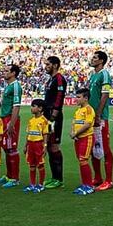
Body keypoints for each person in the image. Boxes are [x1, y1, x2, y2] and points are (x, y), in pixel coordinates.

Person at [88, 51, 113, 191]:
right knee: (93, 148)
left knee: (104, 148)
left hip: (100, 117)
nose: (92, 59)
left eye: (95, 58)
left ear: (101, 60)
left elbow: (105, 95)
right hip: (90, 117)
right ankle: (98, 178)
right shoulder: (92, 75)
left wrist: (98, 114)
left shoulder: (104, 74)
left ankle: (109, 180)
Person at [42, 55, 68, 189]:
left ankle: (59, 179)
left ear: (55, 65)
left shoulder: (59, 78)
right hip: (48, 115)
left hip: (54, 116)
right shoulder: (51, 79)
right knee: (50, 145)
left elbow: (59, 96)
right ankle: (54, 177)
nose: (45, 67)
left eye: (48, 64)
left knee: (54, 146)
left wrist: (54, 114)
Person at [0, 65, 24, 188]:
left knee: (11, 148)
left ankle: (15, 178)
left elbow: (16, 106)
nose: (4, 72)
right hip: (4, 118)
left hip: (10, 119)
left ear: (13, 73)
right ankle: (9, 175)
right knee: (6, 147)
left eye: (7, 71)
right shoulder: (9, 85)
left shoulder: (16, 86)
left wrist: (11, 124)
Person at [70, 88, 97, 196]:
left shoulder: (89, 109)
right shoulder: (78, 110)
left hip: (87, 137)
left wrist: (75, 133)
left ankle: (89, 186)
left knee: (83, 160)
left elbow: (87, 124)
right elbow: (74, 122)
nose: (76, 99)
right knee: (81, 161)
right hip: (78, 139)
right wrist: (73, 132)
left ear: (85, 98)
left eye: (78, 97)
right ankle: (84, 184)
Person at [23, 99, 50, 193]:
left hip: (39, 144)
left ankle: (41, 184)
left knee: (40, 164)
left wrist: (45, 146)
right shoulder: (31, 120)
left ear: (40, 108)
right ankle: (32, 184)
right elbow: (28, 133)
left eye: (33, 106)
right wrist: (25, 145)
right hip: (31, 144)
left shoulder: (43, 120)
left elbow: (45, 134)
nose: (31, 108)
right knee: (32, 165)